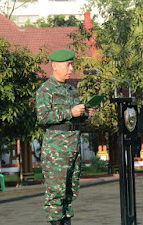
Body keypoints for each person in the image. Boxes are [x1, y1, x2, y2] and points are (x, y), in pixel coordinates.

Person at [36, 49, 95, 225]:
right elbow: (43, 117)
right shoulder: (46, 90)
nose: (71, 68)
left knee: (70, 192)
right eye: (68, 65)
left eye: (71, 64)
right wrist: (70, 111)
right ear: (55, 66)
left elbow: (73, 118)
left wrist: (85, 114)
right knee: (56, 194)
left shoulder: (71, 90)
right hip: (56, 149)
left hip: (73, 146)